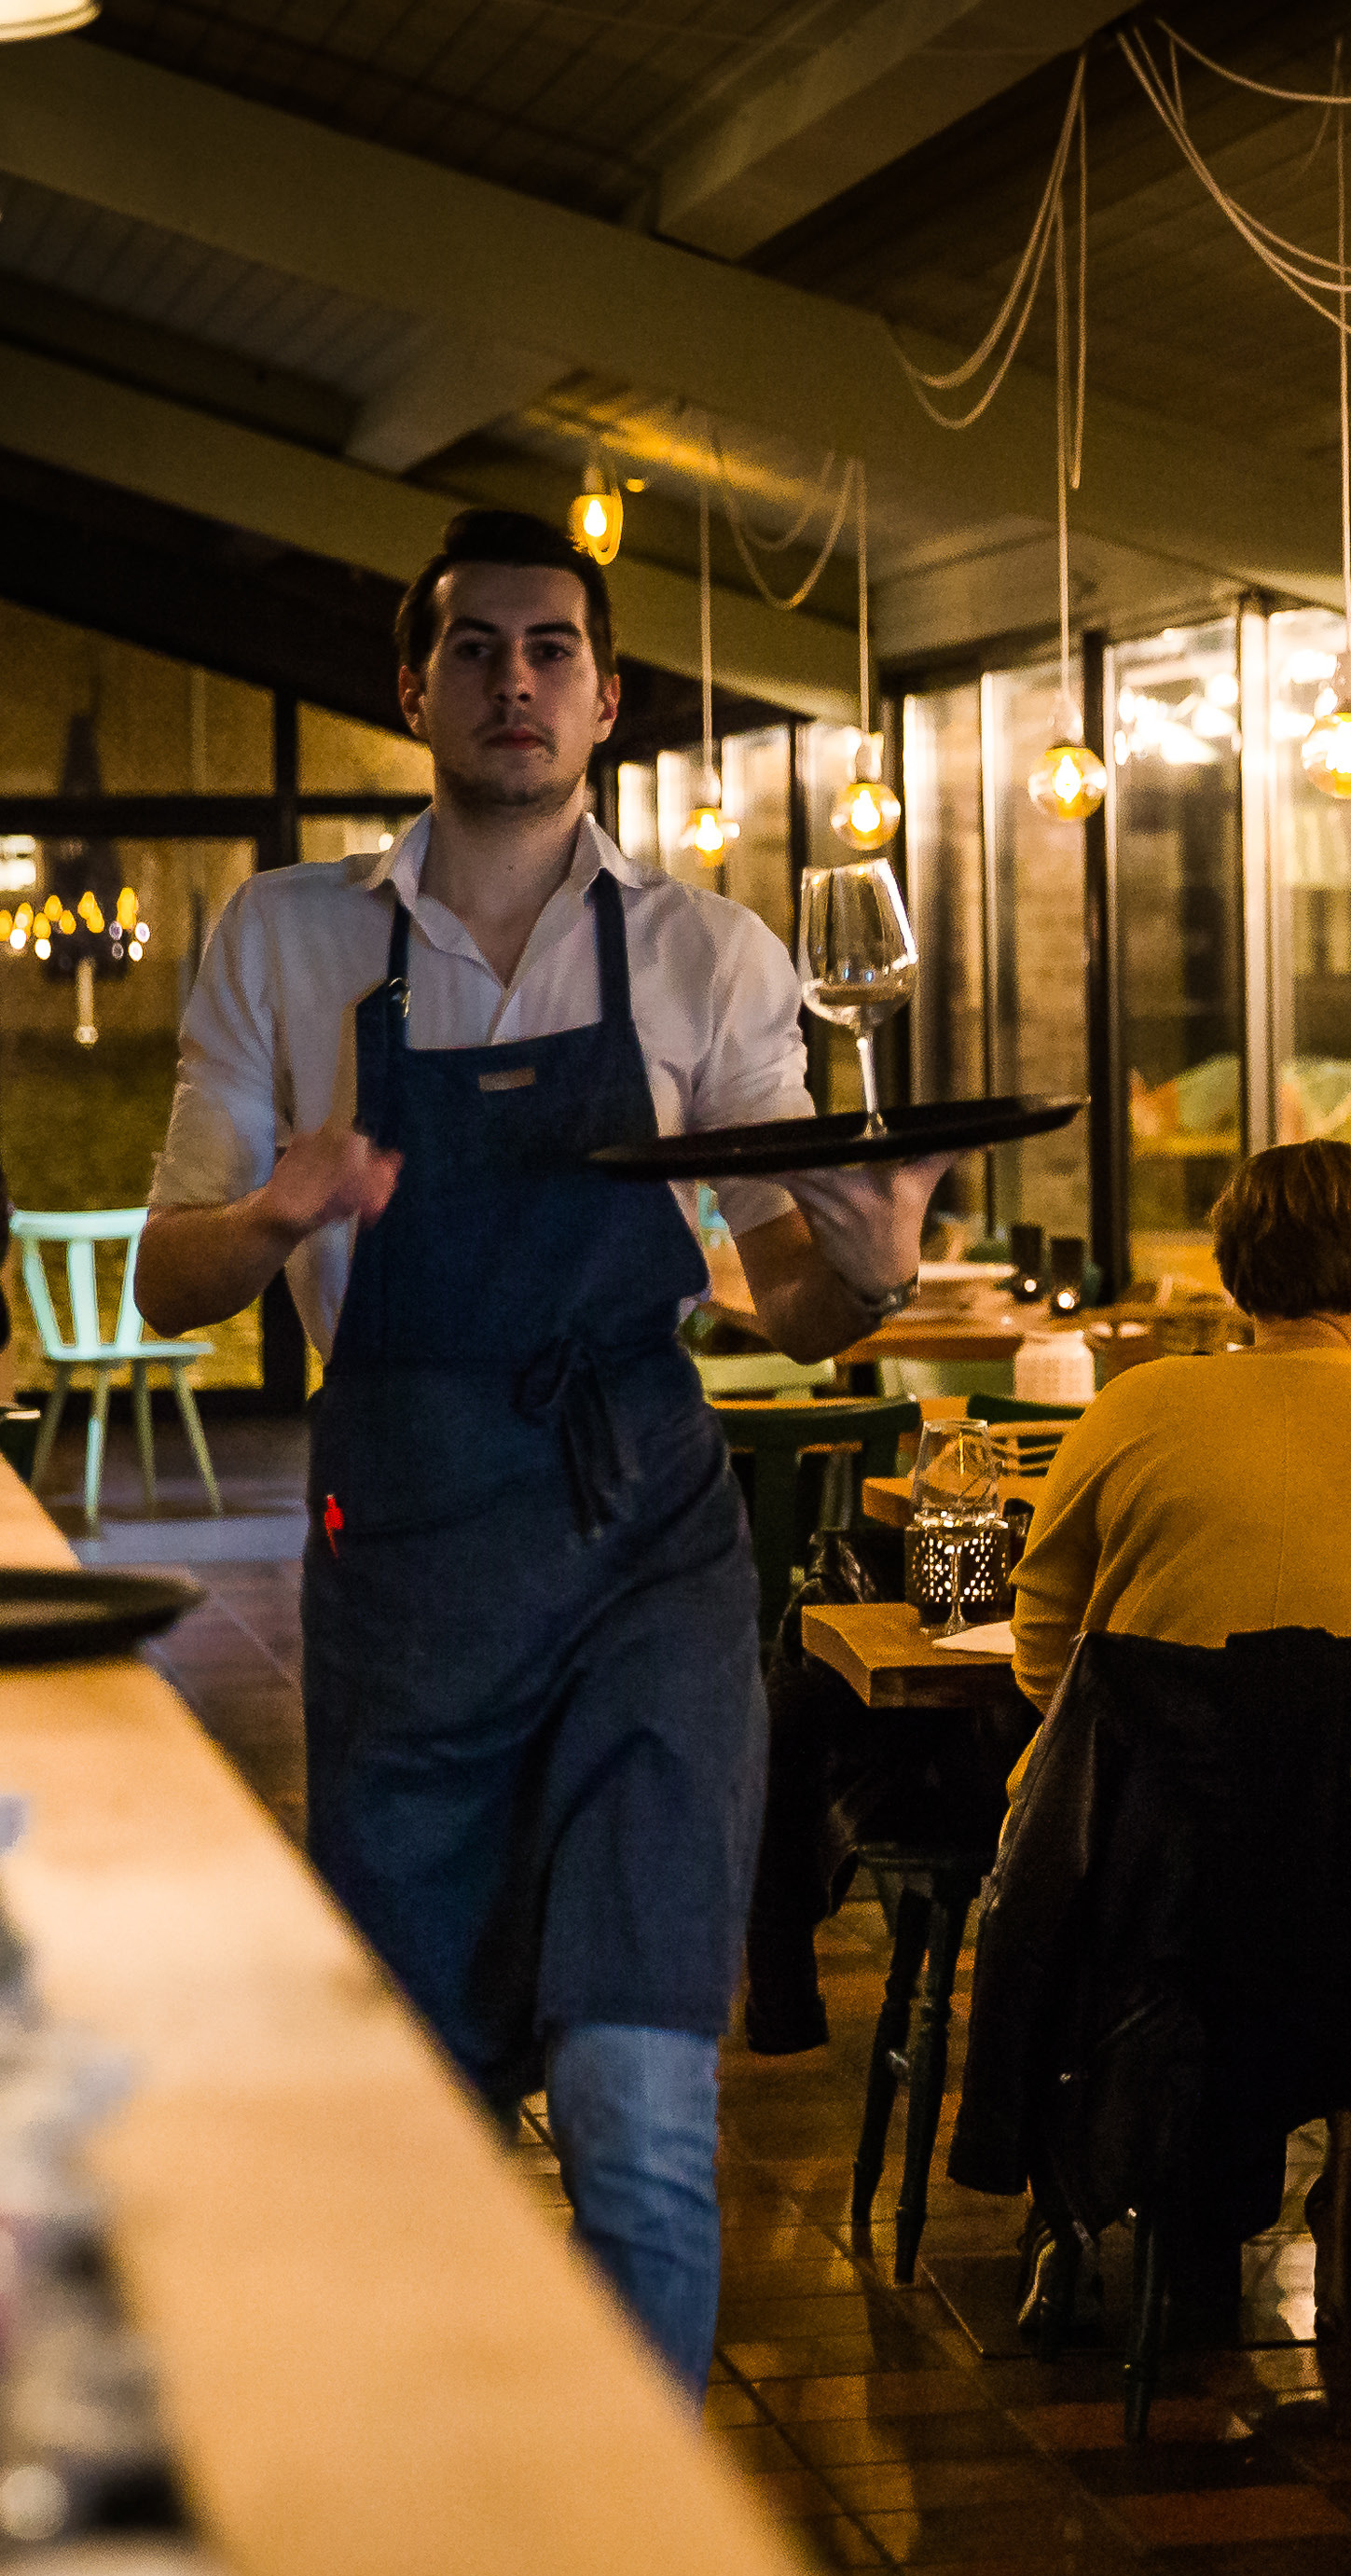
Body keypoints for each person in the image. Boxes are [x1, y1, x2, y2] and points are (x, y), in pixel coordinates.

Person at [130, 509, 958, 2400]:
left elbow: (777, 1293)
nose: (518, 678)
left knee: (640, 2107)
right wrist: (283, 1206)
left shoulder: (704, 956)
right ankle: (465, 2533)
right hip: (408, 1554)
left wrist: (872, 1271)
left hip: (643, 1544)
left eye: (553, 650)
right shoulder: (287, 935)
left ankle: (650, 2575)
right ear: (411, 685)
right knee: (414, 2109)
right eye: (480, 646)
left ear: (603, 700)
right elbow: (174, 1274)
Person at [1008, 1139, 1351, 1724]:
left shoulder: (1131, 1404)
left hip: (1155, 1803)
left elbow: (1040, 1644)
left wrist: (1143, 1748)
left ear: (1236, 1270)